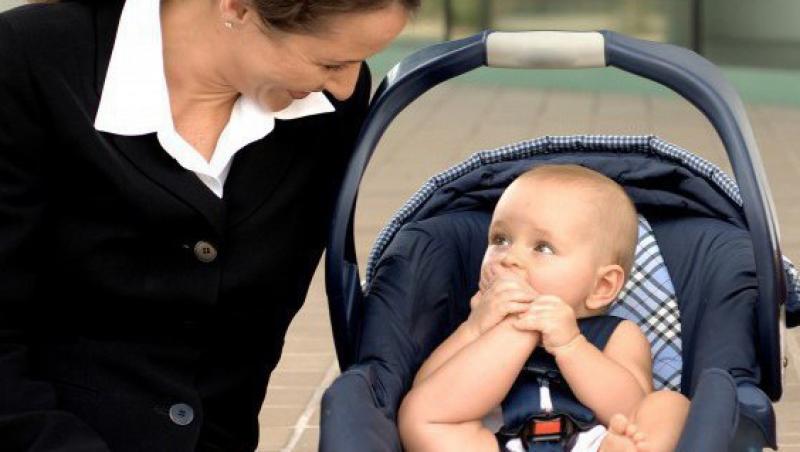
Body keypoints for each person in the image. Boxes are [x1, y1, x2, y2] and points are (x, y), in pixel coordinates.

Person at [0, 0, 416, 450]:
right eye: (330, 62)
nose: (348, 86)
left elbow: (252, 337)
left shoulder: (326, 110)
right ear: (236, 7)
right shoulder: (27, 59)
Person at [398, 165, 690, 452]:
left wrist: (572, 346)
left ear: (602, 286)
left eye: (543, 248)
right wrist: (483, 328)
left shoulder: (618, 334)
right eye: (500, 239)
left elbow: (630, 406)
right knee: (417, 415)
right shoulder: (477, 327)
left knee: (670, 405)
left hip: (595, 442)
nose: (509, 257)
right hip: (499, 442)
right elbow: (427, 395)